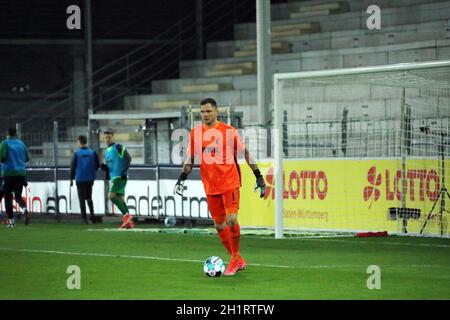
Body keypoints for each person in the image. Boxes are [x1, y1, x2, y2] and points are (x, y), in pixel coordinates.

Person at [174, 97, 266, 276]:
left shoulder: (229, 132)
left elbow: (245, 153)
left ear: (217, 112)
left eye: (208, 111)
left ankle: (235, 258)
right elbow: (190, 159)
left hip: (229, 181)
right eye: (202, 112)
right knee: (219, 225)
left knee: (231, 219)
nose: (205, 115)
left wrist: (259, 176)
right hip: (210, 184)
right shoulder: (195, 133)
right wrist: (182, 177)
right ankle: (236, 258)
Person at [100, 128, 134, 229]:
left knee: (111, 196)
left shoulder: (118, 147)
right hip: (114, 178)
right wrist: (105, 168)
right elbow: (111, 166)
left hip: (120, 176)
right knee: (120, 199)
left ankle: (127, 216)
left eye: (109, 137)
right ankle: (128, 223)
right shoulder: (106, 152)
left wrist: (124, 171)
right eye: (106, 137)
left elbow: (129, 158)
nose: (107, 139)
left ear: (113, 137)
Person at [0, 128, 30, 227]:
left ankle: (12, 221)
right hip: (21, 174)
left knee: (8, 198)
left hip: (9, 173)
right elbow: (27, 158)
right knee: (17, 196)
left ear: (7, 133)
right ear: (16, 133)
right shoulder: (21, 144)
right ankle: (24, 209)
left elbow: (2, 157)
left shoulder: (5, 143)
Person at [70, 135, 100, 224]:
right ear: (86, 141)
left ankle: (84, 218)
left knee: (81, 199)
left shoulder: (77, 153)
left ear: (79, 142)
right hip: (90, 178)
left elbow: (73, 167)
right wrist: (91, 172)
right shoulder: (92, 153)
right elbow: (97, 165)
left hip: (80, 178)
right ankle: (93, 216)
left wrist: (71, 178)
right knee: (89, 197)